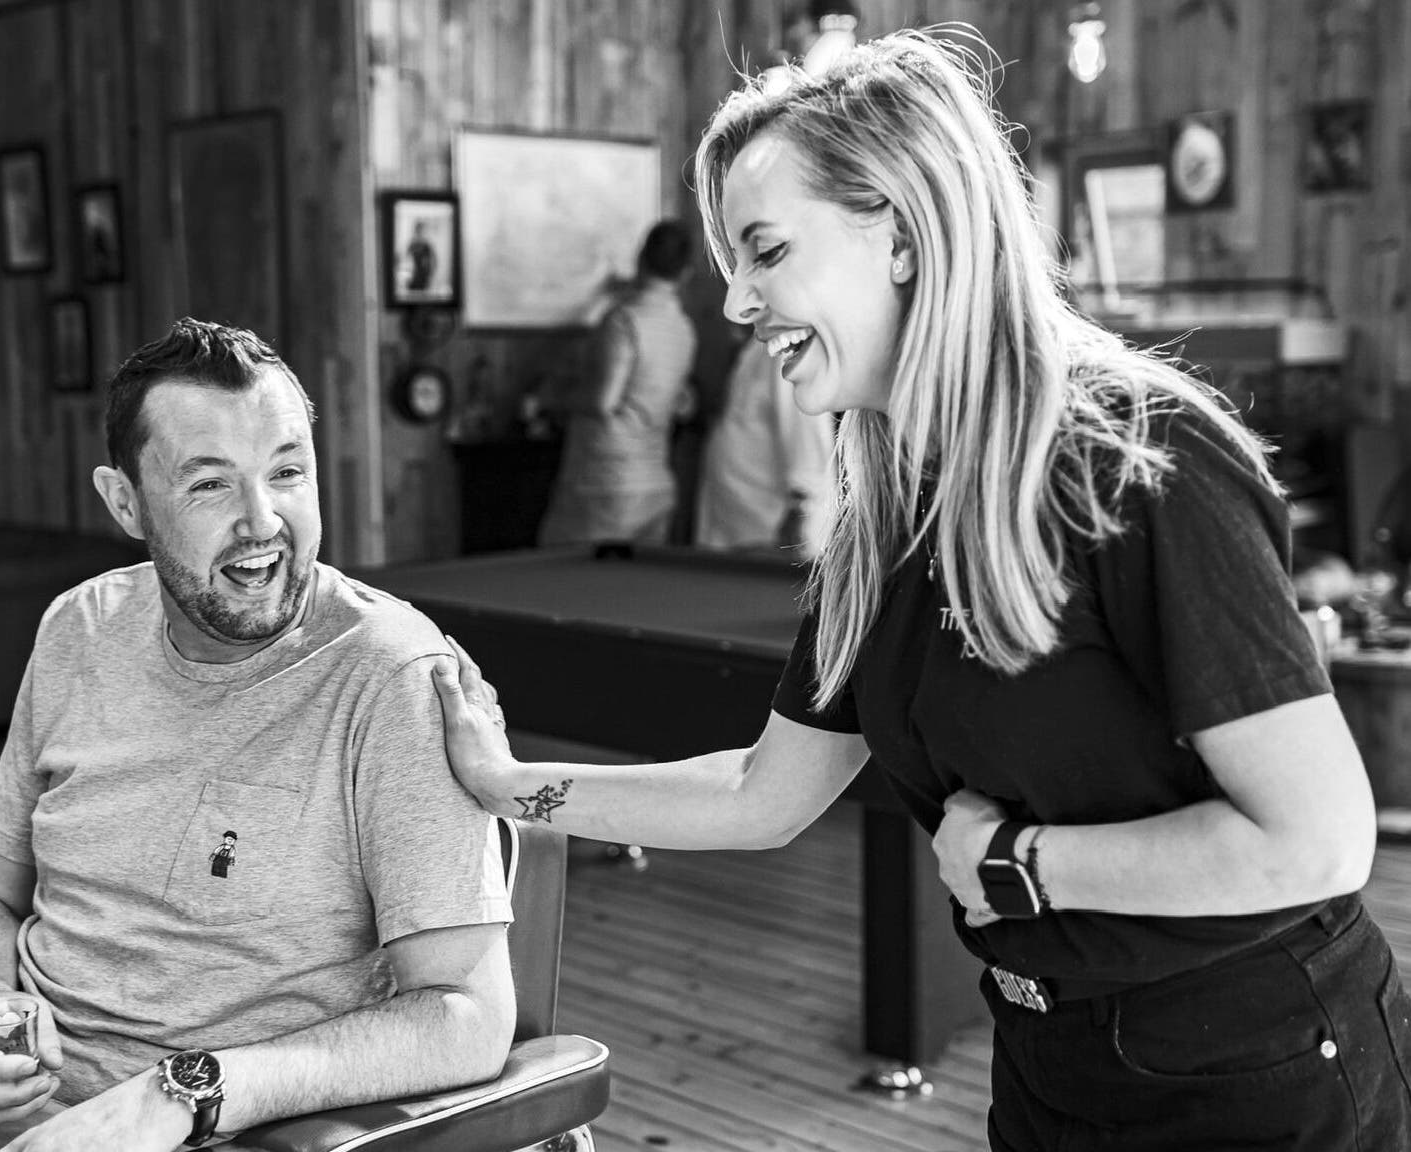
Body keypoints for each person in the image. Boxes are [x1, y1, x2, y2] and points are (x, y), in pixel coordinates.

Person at [431, 29, 1411, 1151]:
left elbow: (1321, 840)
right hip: (1048, 1052)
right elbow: (764, 792)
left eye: (764, 250)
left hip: (1256, 1062)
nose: (739, 303)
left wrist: (1022, 865)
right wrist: (508, 786)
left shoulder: (1136, 456)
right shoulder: (886, 514)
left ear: (895, 230)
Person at [0, 319, 516, 1151]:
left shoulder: (391, 677)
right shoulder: (81, 625)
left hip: (203, 1128)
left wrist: (183, 1095)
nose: (262, 522)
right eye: (210, 485)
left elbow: (467, 1016)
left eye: (287, 473)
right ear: (124, 501)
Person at [537, 219, 698, 547]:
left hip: (604, 481)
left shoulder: (624, 321)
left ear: (640, 258)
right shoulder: (684, 329)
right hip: (656, 483)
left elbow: (603, 401)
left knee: (562, 581)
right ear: (686, 273)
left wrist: (551, 398)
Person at [694, 331, 834, 558]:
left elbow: (805, 438)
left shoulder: (786, 349)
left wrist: (801, 512)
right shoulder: (757, 346)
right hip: (739, 527)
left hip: (772, 535)